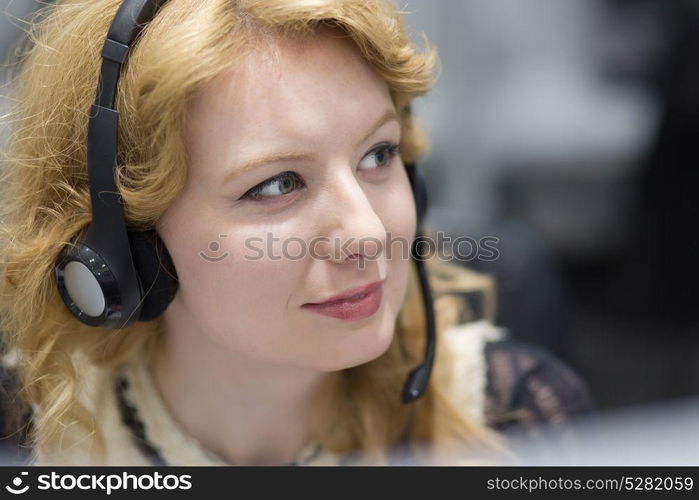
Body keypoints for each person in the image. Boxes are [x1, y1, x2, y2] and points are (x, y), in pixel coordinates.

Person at [0, 0, 593, 466]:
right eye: (278, 184)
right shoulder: (29, 430)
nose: (367, 234)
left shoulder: (518, 419)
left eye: (379, 154)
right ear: (127, 244)